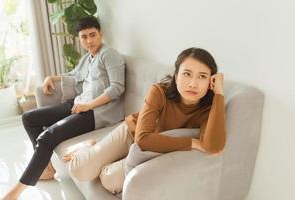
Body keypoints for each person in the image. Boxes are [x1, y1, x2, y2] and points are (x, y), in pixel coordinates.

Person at [62, 47, 226, 194]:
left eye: (202, 77)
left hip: (147, 151)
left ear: (210, 82)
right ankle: (91, 146)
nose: (193, 83)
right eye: (187, 74)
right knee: (80, 170)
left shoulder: (209, 108)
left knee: (110, 181)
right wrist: (191, 143)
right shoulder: (159, 92)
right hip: (132, 132)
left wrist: (218, 94)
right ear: (176, 77)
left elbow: (214, 145)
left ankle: (103, 154)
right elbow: (143, 138)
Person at [1, 16, 125, 200]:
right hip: (80, 103)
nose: (89, 40)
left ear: (101, 33)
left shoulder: (109, 54)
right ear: (79, 39)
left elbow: (117, 87)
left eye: (92, 35)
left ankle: (17, 191)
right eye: (84, 37)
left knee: (47, 136)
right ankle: (47, 168)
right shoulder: (88, 57)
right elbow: (74, 74)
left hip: (96, 112)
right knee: (29, 118)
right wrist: (52, 77)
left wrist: (88, 105)